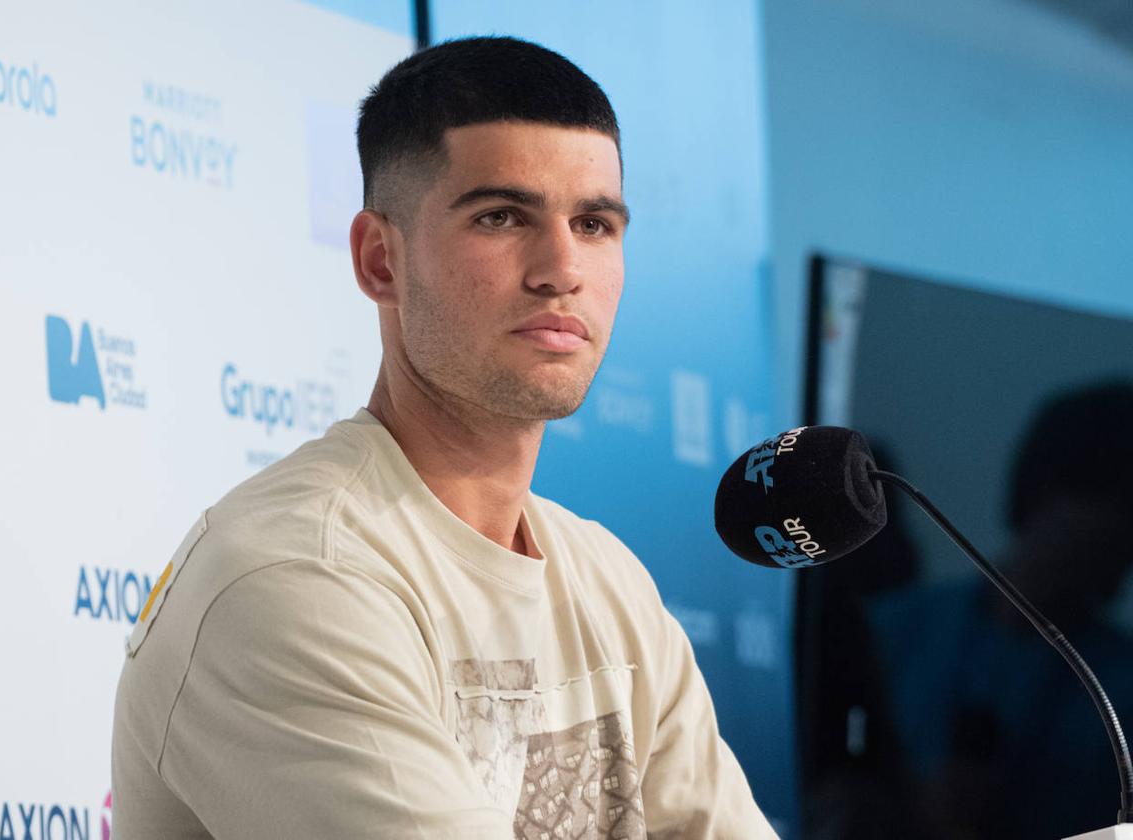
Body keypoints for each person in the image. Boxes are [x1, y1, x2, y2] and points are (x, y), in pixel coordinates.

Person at [111, 36, 776, 839]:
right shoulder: (293, 574)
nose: (561, 268)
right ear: (379, 261)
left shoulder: (610, 585)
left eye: (594, 223)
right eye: (502, 217)